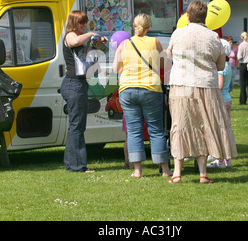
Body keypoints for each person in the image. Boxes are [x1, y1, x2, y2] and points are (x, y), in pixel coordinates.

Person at [166, 0, 237, 184]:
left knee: (180, 126)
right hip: (206, 85)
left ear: (187, 16)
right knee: (204, 126)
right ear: (205, 17)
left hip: (181, 84)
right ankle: (203, 173)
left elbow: (169, 55)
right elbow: (221, 64)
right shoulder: (213, 37)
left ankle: (177, 173)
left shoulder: (178, 33)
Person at [112, 13, 172, 178]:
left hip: (127, 89)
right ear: (148, 28)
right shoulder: (155, 42)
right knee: (156, 129)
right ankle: (165, 169)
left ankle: (137, 170)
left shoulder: (124, 44)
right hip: (150, 89)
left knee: (133, 130)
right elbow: (162, 64)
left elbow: (116, 69)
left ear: (133, 26)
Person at [61, 10, 108, 173]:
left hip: (79, 84)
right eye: (81, 22)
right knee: (77, 127)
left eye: (85, 22)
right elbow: (74, 42)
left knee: (76, 126)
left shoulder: (81, 38)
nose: (84, 25)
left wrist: (101, 43)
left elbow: (97, 54)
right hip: (73, 84)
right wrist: (90, 34)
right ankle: (78, 166)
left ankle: (71, 164)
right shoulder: (70, 35)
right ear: (74, 23)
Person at [207, 38, 234, 169]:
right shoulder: (228, 65)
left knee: (219, 130)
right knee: (226, 130)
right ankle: (227, 159)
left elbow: (220, 85)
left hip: (221, 100)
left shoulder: (221, 67)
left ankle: (220, 160)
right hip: (227, 99)